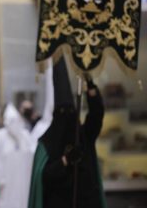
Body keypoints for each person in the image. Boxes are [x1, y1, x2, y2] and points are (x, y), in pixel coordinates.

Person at [28, 58, 106, 208]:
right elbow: (44, 176)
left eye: (71, 112)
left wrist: (91, 87)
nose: (67, 117)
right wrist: (64, 161)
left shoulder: (84, 136)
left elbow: (96, 115)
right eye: (63, 113)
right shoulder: (47, 143)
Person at [0, 60, 53, 208]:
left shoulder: (25, 136)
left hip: (23, 190)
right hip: (6, 192)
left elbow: (32, 155)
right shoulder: (1, 136)